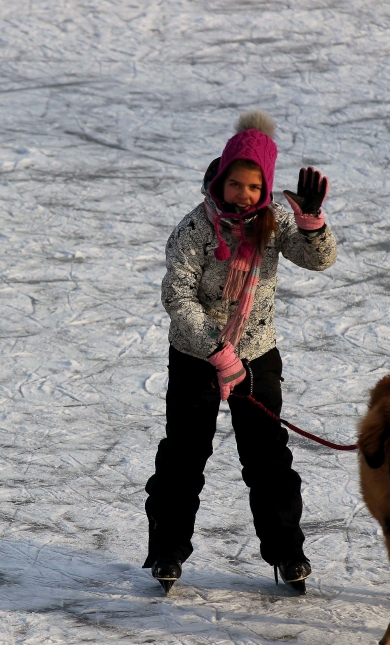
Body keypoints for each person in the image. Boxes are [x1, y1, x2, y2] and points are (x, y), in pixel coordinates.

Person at [143, 110, 337, 594]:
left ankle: (288, 554)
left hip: (257, 355)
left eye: (254, 187)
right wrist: (214, 348)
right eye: (235, 184)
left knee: (268, 459)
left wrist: (312, 223)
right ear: (220, 178)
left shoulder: (274, 223)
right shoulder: (195, 228)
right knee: (183, 458)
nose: (243, 195)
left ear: (265, 189)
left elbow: (320, 261)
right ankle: (167, 552)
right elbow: (177, 296)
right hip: (195, 357)